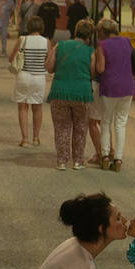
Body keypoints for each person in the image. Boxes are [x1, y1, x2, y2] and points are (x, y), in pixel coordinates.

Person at [46, 20, 93, 170]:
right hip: (82, 93)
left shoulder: (60, 45)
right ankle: (78, 161)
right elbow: (93, 72)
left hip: (59, 92)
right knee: (80, 127)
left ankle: (62, 161)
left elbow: (49, 67)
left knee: (61, 127)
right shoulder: (90, 50)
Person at [92, 18, 135, 172]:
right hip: (128, 86)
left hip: (110, 87)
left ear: (102, 32)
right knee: (121, 123)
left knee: (105, 121)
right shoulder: (127, 41)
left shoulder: (101, 45)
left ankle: (104, 157)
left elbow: (101, 69)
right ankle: (118, 159)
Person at [8, 15, 49, 147]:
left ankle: (24, 139)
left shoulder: (22, 39)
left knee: (23, 107)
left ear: (29, 26)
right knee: (37, 108)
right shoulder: (46, 41)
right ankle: (36, 138)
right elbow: (49, 61)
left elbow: (11, 58)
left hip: (23, 76)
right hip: (39, 78)